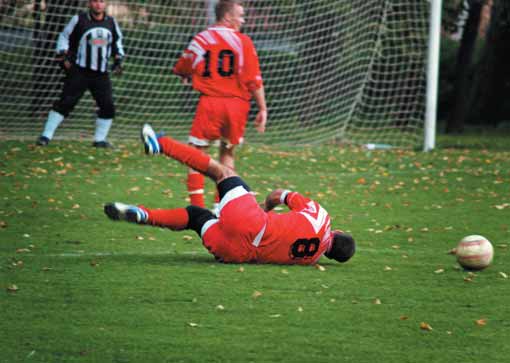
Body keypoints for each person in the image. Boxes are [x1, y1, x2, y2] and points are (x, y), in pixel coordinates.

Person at [104, 124, 355, 265]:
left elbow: (280, 194)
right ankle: (142, 214)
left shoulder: (322, 217)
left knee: (221, 172)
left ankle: (161, 144)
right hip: (236, 254)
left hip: (251, 222)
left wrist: (265, 206)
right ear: (329, 255)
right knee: (195, 216)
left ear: (339, 232)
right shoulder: (309, 260)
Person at [172, 0, 267, 210]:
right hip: (237, 106)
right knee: (227, 153)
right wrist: (262, 108)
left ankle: (197, 207)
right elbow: (254, 80)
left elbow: (183, 65)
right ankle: (220, 207)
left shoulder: (202, 38)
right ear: (227, 17)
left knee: (197, 153)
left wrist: (184, 74)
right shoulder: (243, 42)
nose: (242, 21)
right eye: (240, 16)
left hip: (211, 103)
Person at [36, 0, 125, 148]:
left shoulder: (111, 22)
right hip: (80, 71)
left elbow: (117, 42)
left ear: (106, 4)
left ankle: (99, 140)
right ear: (90, 3)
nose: (98, 4)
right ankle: (45, 136)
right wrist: (62, 53)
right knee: (65, 103)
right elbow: (64, 36)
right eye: (95, 1)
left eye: (102, 1)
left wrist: (118, 58)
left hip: (101, 74)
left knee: (108, 106)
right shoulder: (79, 19)